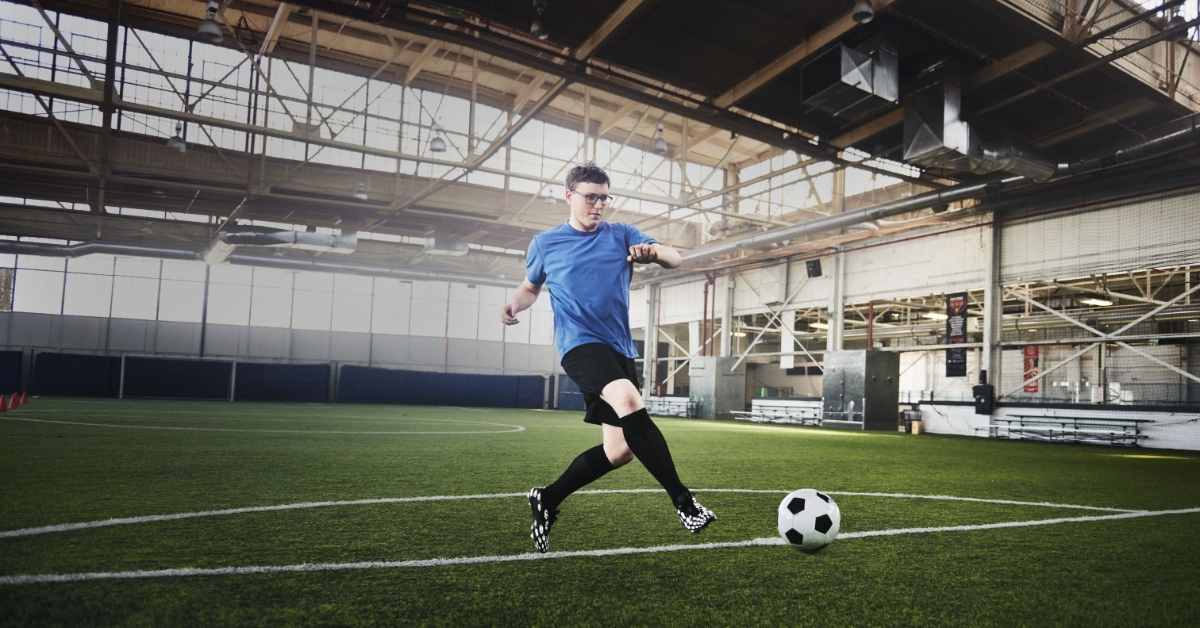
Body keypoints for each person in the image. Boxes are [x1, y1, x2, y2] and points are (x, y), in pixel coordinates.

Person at [501, 160, 716, 554]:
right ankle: (684, 502)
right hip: (579, 345)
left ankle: (546, 498)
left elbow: (675, 258)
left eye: (604, 198)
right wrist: (515, 304)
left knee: (620, 451)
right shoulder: (545, 243)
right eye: (590, 197)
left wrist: (653, 252)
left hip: (619, 347)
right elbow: (531, 287)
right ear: (570, 196)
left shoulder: (622, 235)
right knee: (630, 401)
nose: (598, 205)